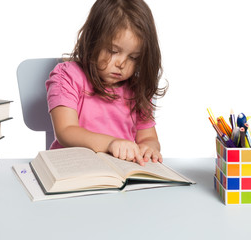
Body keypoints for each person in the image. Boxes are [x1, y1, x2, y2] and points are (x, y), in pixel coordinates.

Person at [46, 0, 167, 166]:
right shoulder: (68, 75)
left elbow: (148, 137)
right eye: (113, 51)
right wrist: (111, 143)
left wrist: (149, 147)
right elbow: (66, 131)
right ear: (92, 40)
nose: (121, 64)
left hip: (121, 172)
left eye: (133, 57)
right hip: (73, 169)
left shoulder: (137, 88)